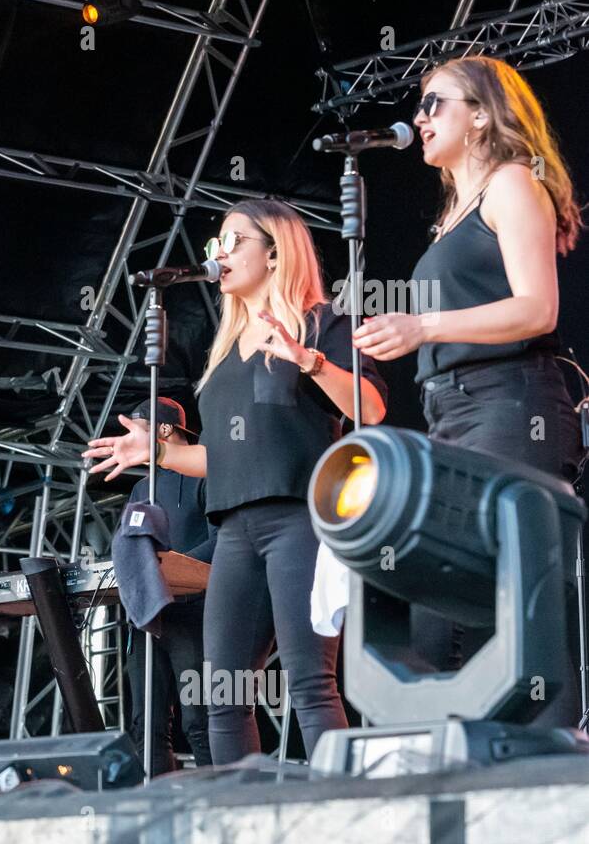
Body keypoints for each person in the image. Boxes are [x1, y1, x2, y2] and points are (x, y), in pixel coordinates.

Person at [84, 199, 388, 765]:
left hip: (300, 520)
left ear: (275, 253)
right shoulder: (222, 356)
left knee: (310, 683)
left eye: (233, 240)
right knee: (221, 693)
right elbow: (222, 459)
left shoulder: (324, 323)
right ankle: (237, 824)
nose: (219, 254)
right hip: (234, 533)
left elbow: (370, 408)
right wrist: (159, 454)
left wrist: (310, 361)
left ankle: (344, 813)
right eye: (214, 245)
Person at [352, 55, 585, 724]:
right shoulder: (450, 216)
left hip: (510, 405)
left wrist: (421, 324)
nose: (419, 118)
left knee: (509, 610)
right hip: (451, 414)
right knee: (438, 612)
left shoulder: (511, 185)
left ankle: (542, 778)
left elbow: (537, 308)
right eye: (420, 107)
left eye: (435, 104)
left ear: (481, 115)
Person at [120, 396, 215, 773]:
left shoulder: (205, 473)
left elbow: (225, 540)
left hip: (195, 611)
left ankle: (226, 804)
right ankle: (155, 809)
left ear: (163, 430)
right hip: (149, 614)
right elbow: (129, 543)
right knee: (147, 725)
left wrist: (171, 566)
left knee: (201, 721)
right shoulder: (141, 489)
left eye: (137, 431)